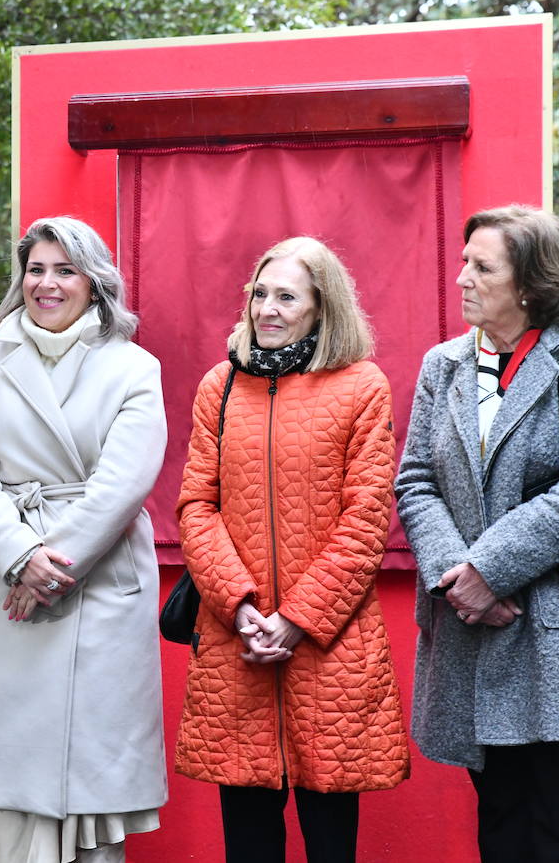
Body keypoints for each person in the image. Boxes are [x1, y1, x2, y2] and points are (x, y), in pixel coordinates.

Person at [0, 216, 168, 862]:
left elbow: (123, 484)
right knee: (11, 784)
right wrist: (18, 558)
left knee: (91, 789)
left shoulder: (134, 368)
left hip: (98, 591)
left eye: (65, 269)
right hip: (6, 587)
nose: (48, 283)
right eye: (36, 269)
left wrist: (49, 568)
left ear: (94, 282)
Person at [174, 236, 409, 863]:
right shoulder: (219, 386)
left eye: (286, 297)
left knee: (331, 840)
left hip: (329, 651)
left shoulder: (362, 386)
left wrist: (296, 620)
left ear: (321, 307)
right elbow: (197, 505)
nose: (267, 310)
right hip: (238, 644)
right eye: (259, 294)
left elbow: (367, 517)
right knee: (248, 842)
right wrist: (241, 606)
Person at [395, 205, 559, 863]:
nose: (462, 279)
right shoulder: (442, 365)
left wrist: (489, 572)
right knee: (499, 821)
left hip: (552, 626)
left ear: (528, 283)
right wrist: (458, 579)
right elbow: (415, 481)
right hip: (467, 627)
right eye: (463, 261)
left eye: (482, 266)